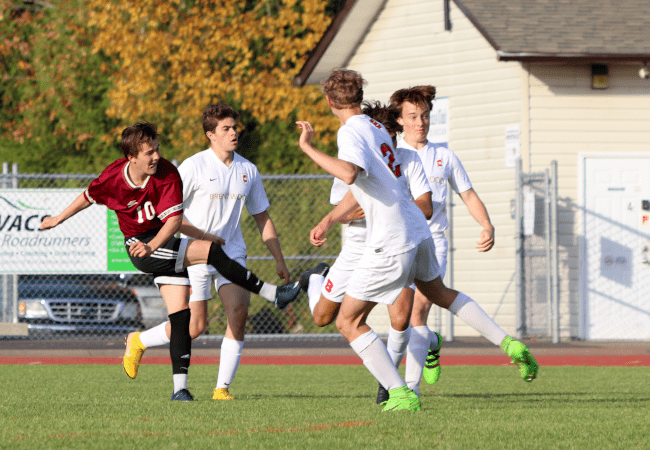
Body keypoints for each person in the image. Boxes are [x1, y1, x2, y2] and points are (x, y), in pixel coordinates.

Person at [297, 70, 538, 411]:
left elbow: (350, 174)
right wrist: (331, 218)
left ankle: (399, 393)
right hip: (419, 231)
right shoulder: (378, 128)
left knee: (347, 321)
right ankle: (509, 343)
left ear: (329, 102)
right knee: (437, 294)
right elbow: (370, 183)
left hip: (390, 237)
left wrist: (307, 146)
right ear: (361, 96)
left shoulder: (351, 130)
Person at [40, 122, 301, 402]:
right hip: (141, 247)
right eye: (149, 153)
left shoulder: (167, 174)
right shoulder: (113, 178)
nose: (156, 157)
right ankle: (272, 293)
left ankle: (179, 389)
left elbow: (174, 221)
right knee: (210, 252)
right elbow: (88, 197)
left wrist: (171, 241)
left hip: (159, 243)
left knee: (181, 317)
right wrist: (57, 219)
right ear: (132, 158)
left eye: (157, 150)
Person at [129, 104, 291, 401]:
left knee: (239, 312)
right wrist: (202, 237)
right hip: (197, 254)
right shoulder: (193, 167)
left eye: (234, 127)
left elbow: (262, 217)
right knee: (195, 326)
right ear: (210, 135)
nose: (233, 133)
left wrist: (279, 259)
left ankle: (221, 388)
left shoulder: (248, 170)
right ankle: (139, 340)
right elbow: (173, 215)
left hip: (233, 253)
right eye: (226, 129)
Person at [387, 86, 537, 397]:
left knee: (419, 308)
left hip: (433, 240)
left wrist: (486, 225)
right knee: (404, 313)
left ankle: (409, 391)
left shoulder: (445, 156)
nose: (420, 122)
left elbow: (467, 194)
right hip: (398, 244)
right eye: (413, 117)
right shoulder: (393, 158)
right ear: (400, 121)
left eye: (425, 116)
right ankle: (431, 344)